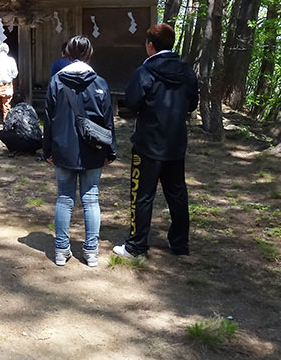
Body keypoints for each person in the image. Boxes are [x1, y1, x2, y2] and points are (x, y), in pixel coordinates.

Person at [114, 23, 199, 260]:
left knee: (142, 194)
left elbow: (132, 101)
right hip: (175, 143)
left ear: (150, 45)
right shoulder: (186, 71)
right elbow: (193, 102)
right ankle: (180, 245)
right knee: (177, 193)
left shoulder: (146, 72)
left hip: (148, 143)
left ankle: (136, 245)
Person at [44, 35, 116, 267]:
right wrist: (110, 151)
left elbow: (48, 119)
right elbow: (108, 121)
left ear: (67, 54)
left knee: (64, 198)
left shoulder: (56, 81)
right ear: (89, 53)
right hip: (93, 150)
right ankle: (91, 251)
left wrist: (47, 149)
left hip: (63, 148)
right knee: (91, 199)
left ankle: (61, 250)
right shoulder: (100, 83)